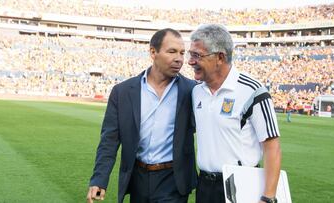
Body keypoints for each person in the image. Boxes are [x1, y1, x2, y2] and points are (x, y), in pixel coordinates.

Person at [87, 28, 197, 203]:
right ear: (153, 52)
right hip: (137, 179)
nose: (179, 59)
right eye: (172, 51)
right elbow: (109, 140)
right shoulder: (122, 92)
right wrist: (99, 179)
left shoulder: (192, 91)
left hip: (173, 181)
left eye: (182, 53)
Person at [188, 24, 282, 203]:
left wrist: (268, 197)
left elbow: (272, 147)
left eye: (197, 55)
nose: (190, 61)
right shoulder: (196, 92)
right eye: (190, 54)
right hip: (205, 186)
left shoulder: (253, 90)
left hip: (241, 184)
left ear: (220, 57)